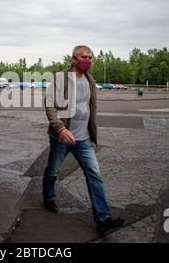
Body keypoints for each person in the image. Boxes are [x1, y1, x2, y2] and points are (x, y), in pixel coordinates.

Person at [43, 45, 124, 236]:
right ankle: (48, 198)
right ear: (73, 59)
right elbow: (50, 106)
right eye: (83, 57)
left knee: (94, 174)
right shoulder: (60, 78)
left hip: (84, 139)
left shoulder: (90, 80)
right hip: (62, 137)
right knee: (53, 170)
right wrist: (60, 129)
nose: (87, 60)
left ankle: (103, 220)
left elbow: (88, 107)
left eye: (90, 57)